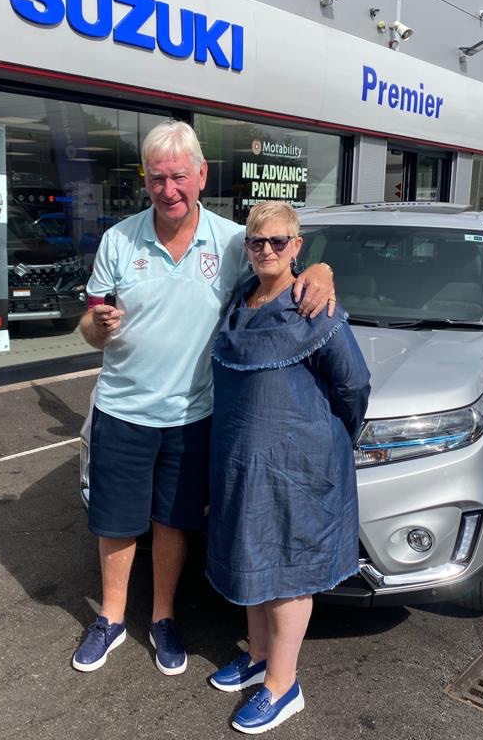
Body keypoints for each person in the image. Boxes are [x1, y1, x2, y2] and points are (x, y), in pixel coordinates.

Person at [73, 121, 335, 676]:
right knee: (116, 523)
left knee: (173, 521)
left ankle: (163, 618)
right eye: (157, 178)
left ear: (201, 175)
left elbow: (279, 271)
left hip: (195, 413)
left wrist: (322, 269)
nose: (169, 190)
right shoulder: (118, 240)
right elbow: (90, 328)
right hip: (123, 407)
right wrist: (97, 326)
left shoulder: (232, 241)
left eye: (179, 177)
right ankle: (113, 618)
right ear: (145, 180)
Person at [205, 201, 370, 734]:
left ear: (297, 247)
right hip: (241, 461)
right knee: (252, 557)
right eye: (258, 242)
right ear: (247, 246)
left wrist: (320, 437)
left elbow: (354, 386)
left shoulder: (313, 307)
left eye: (280, 242)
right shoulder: (239, 300)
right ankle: (257, 659)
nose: (268, 251)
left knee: (288, 571)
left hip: (297, 464)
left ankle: (284, 684)